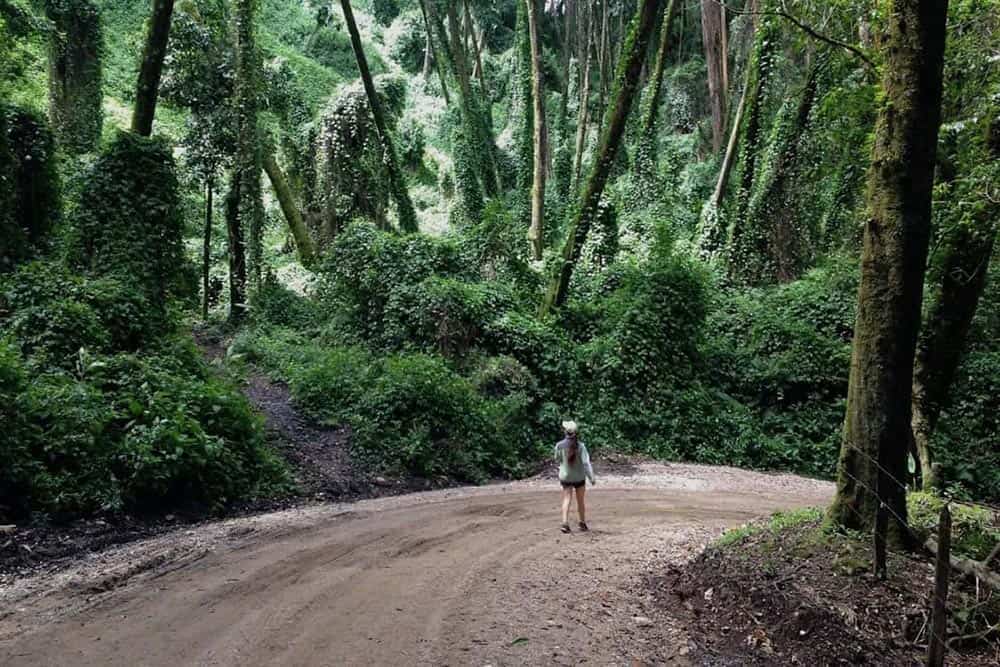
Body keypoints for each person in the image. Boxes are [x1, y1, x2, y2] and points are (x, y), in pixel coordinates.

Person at [554, 420, 595, 533]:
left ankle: (565, 523)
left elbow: (557, 459)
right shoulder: (581, 446)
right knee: (580, 500)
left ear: (565, 431)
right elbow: (586, 463)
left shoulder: (559, 445)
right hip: (579, 477)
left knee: (567, 498)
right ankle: (582, 523)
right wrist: (592, 478)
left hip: (565, 476)